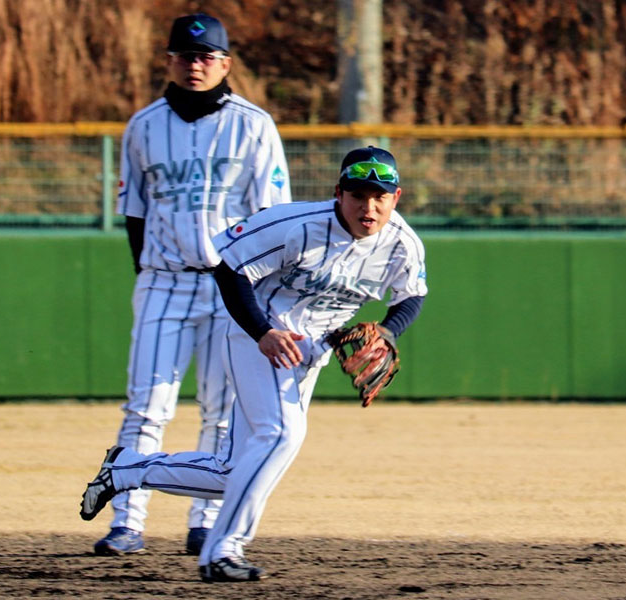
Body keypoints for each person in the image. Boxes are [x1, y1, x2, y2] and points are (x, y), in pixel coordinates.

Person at [81, 146, 428, 582]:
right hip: (258, 336)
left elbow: (411, 293)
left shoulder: (401, 243)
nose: (369, 206)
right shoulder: (296, 224)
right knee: (280, 434)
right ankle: (221, 551)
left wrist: (390, 331)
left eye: (380, 196)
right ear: (338, 193)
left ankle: (127, 468)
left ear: (396, 198)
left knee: (236, 470)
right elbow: (229, 268)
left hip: (309, 353)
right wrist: (262, 331)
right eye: (358, 194)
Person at [96, 13, 292, 557]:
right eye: (185, 55)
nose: (195, 65)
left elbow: (271, 219)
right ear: (170, 61)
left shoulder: (254, 125)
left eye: (207, 57)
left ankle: (204, 521)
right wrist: (150, 272)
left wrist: (260, 295)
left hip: (232, 287)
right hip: (164, 282)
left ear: (226, 64)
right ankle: (126, 522)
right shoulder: (143, 126)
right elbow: (132, 212)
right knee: (145, 406)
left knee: (223, 412)